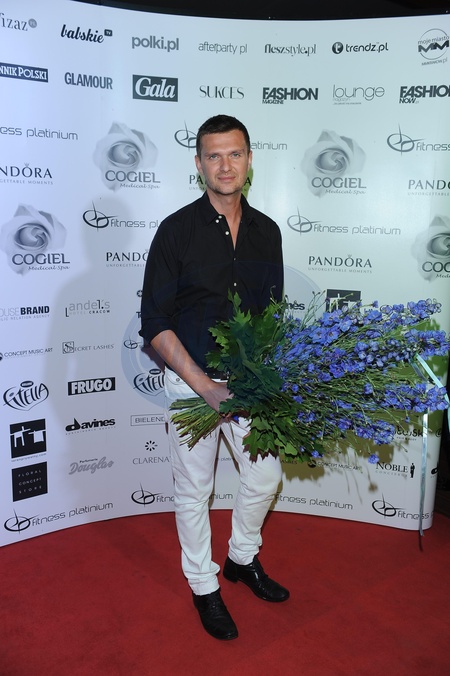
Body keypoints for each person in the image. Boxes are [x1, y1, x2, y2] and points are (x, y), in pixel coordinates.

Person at [140, 115, 289, 641]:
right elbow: (154, 324)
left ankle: (241, 558)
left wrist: (264, 377)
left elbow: (271, 316)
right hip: (191, 385)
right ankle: (204, 585)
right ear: (199, 163)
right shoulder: (175, 231)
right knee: (194, 491)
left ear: (249, 159)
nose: (225, 165)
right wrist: (204, 386)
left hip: (249, 385)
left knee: (266, 478)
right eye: (214, 155)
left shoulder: (268, 232)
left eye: (235, 154)